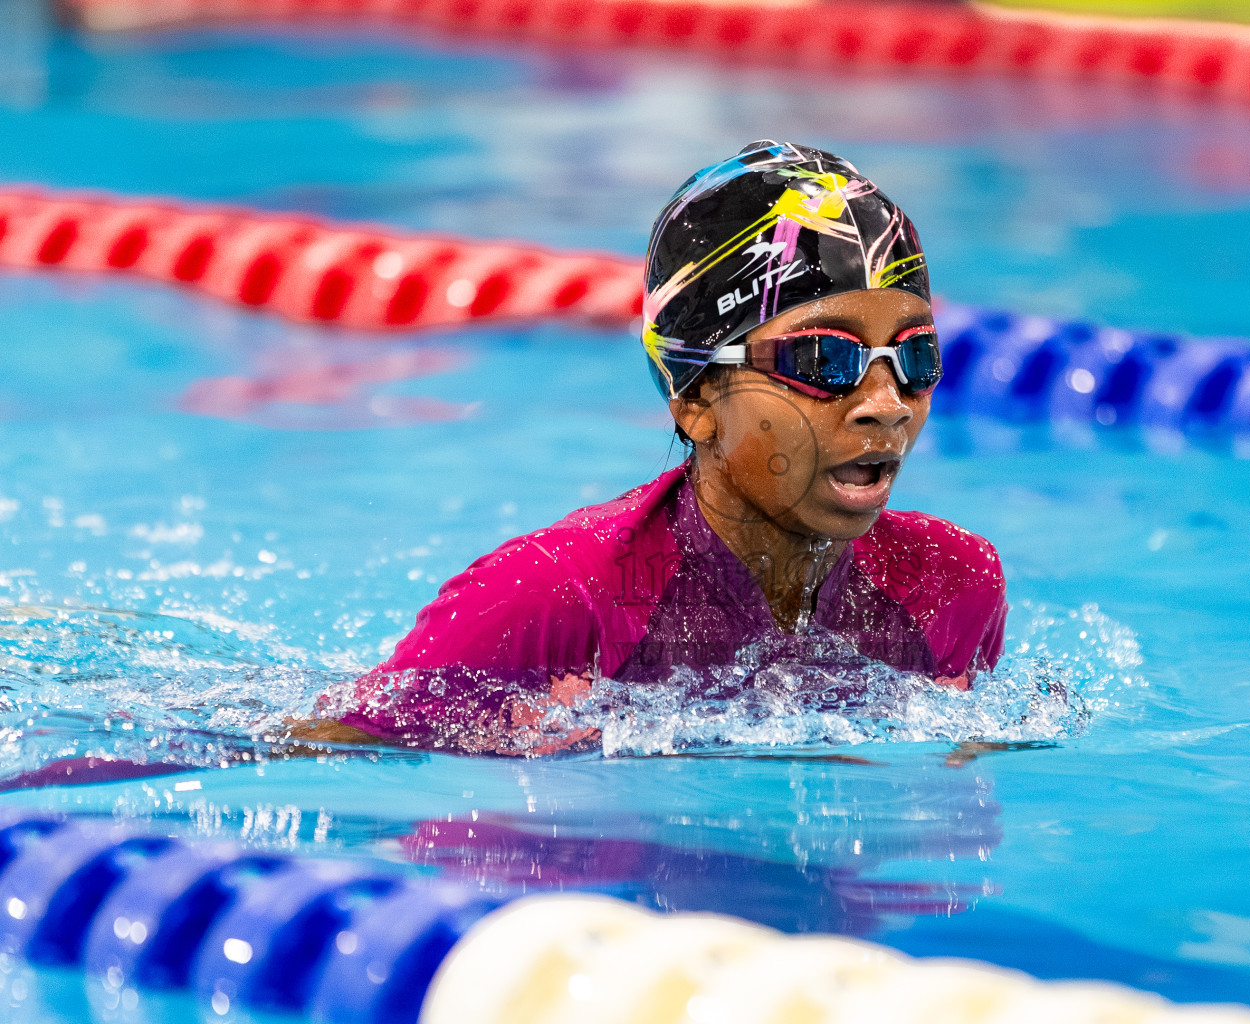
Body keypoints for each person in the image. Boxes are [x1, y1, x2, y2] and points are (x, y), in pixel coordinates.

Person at [297, 141, 1008, 755]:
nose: (887, 403)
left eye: (915, 356)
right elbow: (327, 760)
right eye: (824, 359)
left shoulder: (953, 586)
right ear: (696, 400)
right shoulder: (550, 597)